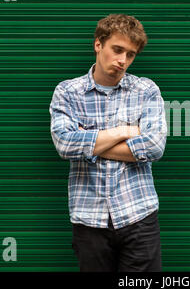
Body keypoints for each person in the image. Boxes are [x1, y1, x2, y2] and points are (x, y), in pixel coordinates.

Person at [49, 14, 167, 272]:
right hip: (89, 220)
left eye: (131, 54)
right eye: (117, 49)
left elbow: (155, 147)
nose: (123, 61)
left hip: (140, 216)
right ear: (98, 44)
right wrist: (126, 131)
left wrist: (90, 145)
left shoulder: (146, 90)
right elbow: (65, 145)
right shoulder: (68, 92)